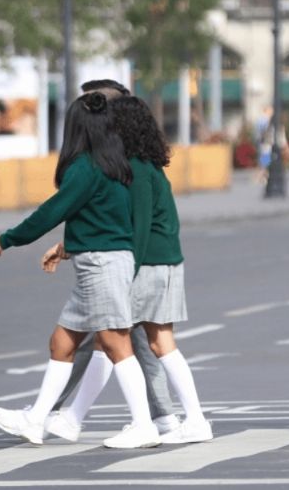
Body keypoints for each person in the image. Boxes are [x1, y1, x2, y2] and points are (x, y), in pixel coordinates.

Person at [0, 92, 161, 448]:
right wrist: (68, 250)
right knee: (62, 343)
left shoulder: (86, 168)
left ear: (76, 129)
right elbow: (99, 220)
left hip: (102, 265)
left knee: (115, 343)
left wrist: (10, 238)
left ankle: (143, 424)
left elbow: (54, 211)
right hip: (94, 265)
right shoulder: (113, 165)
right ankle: (37, 420)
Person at [43, 96, 213, 444]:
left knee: (113, 342)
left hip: (146, 264)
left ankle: (80, 419)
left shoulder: (134, 170)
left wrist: (125, 272)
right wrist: (66, 249)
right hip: (161, 261)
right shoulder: (148, 166)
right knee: (154, 342)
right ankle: (192, 420)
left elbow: (135, 227)